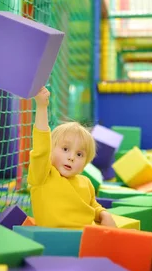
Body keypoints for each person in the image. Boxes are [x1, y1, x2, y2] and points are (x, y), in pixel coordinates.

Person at [28, 86, 117, 229]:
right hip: (56, 240)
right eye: (65, 149)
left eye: (79, 154)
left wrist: (104, 214)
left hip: (87, 237)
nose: (71, 157)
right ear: (51, 150)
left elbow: (93, 205)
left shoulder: (85, 182)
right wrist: (41, 107)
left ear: (85, 162)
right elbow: (41, 149)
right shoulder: (43, 176)